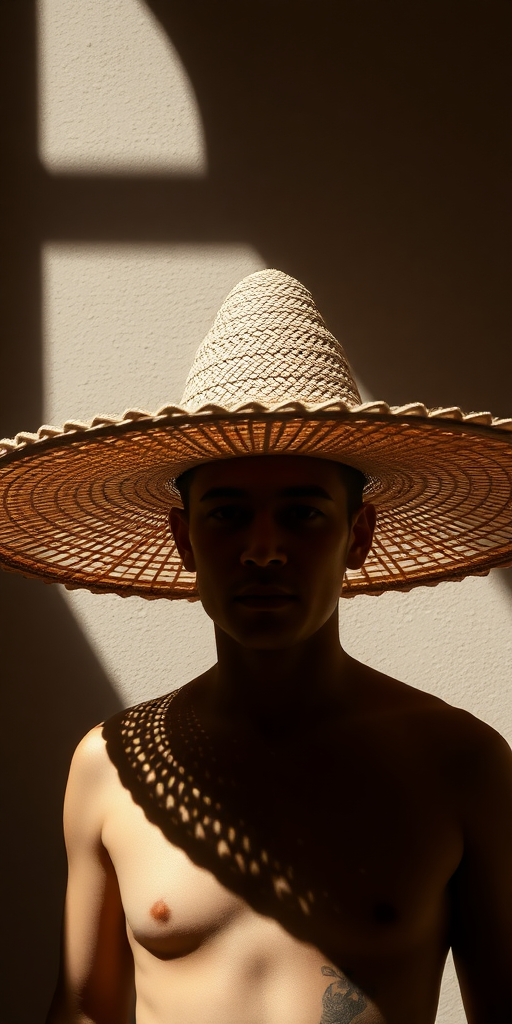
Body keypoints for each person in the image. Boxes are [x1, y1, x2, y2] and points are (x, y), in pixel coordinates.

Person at [1, 270, 511, 1023]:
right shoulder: (108, 769)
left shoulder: (460, 764)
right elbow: (83, 1011)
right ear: (184, 538)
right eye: (229, 514)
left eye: (303, 514)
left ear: (357, 536)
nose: (263, 549)